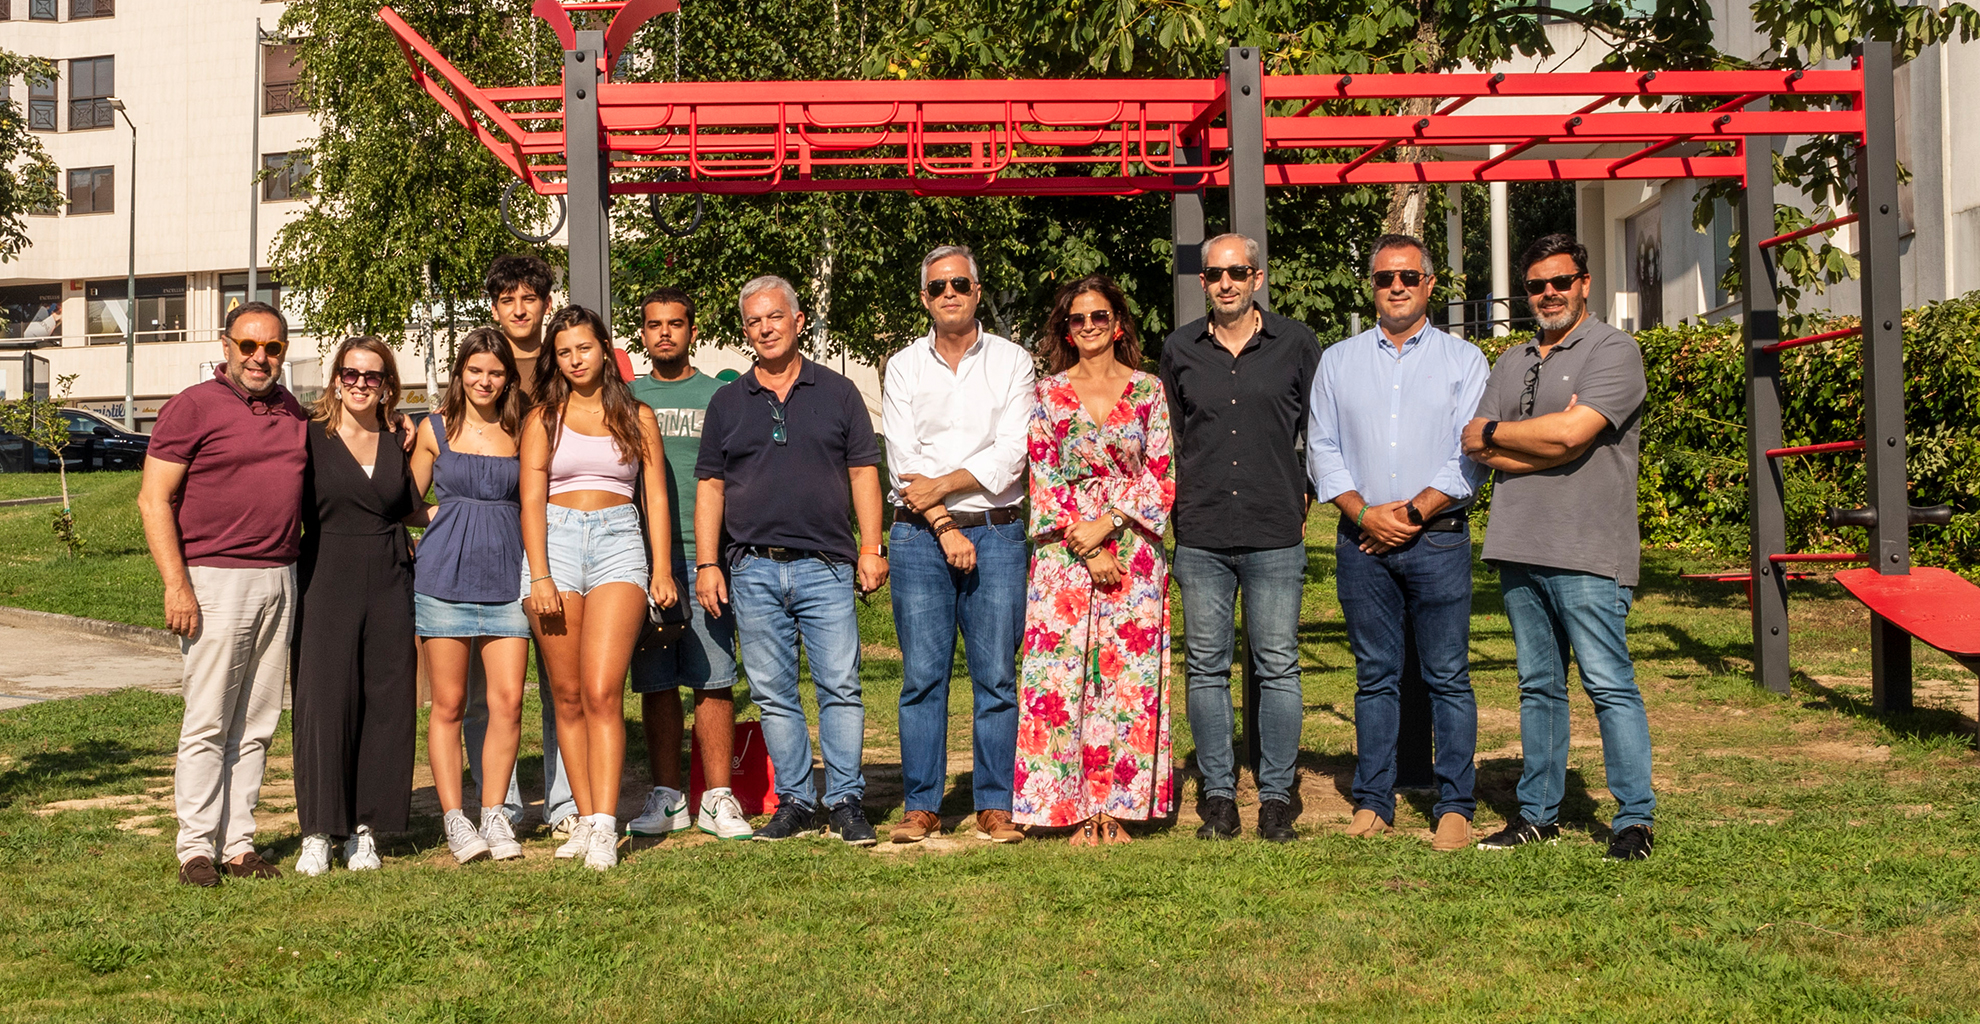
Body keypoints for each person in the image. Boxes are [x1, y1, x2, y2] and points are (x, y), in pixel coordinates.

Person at [1461, 232, 1656, 861]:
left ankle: (1634, 821)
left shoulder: (1614, 350)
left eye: (1561, 282)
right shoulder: (1512, 360)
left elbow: (1575, 434)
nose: (1549, 293)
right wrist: (1527, 438)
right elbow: (1475, 444)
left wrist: (1518, 437)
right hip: (1518, 543)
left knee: (1609, 684)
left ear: (1584, 284)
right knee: (1538, 686)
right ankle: (1536, 814)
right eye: (1537, 285)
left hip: (1588, 550)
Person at [1308, 234, 1488, 852]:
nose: (1397, 288)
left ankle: (1455, 804)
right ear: (1373, 286)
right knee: (1375, 675)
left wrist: (1409, 513)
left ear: (1430, 285)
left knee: (1448, 675)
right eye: (1385, 278)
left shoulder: (1466, 362)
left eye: (1409, 277)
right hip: (1362, 543)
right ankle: (1374, 800)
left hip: (1436, 539)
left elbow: (1471, 456)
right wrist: (1364, 514)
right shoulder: (1337, 361)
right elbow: (1322, 450)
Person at [694, 275, 888, 845]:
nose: (765, 328)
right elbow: (710, 486)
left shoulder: (838, 392)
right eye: (754, 321)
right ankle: (798, 801)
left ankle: (847, 799)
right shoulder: (728, 401)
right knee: (773, 693)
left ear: (799, 321)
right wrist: (710, 563)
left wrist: (871, 548)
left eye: (774, 316)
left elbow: (863, 474)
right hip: (751, 568)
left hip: (825, 565)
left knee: (839, 687)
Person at [1157, 232, 1320, 843]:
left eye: (1237, 272)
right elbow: (1169, 436)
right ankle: (1219, 797)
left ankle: (1276, 795)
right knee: (1206, 667)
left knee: (1276, 663)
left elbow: (1320, 427)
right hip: (1201, 530)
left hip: (1274, 529)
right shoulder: (1179, 349)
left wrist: (1305, 488)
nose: (1226, 282)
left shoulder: (1296, 344)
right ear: (1203, 282)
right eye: (1214, 273)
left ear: (1256, 278)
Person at [140, 301, 307, 886]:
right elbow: (153, 499)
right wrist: (176, 584)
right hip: (213, 579)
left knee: (259, 720)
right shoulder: (192, 407)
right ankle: (195, 849)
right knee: (209, 718)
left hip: (280, 576)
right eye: (249, 346)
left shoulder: (291, 410)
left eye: (273, 348)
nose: (260, 358)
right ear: (226, 344)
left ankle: (238, 844)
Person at [1013, 275, 1176, 847]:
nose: (1088, 327)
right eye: (1077, 319)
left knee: (1124, 681)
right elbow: (1043, 472)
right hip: (1064, 551)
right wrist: (1086, 543)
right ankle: (1070, 808)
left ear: (1119, 324)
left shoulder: (1149, 390)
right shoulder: (1047, 393)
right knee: (1060, 680)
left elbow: (1161, 476)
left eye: (1099, 317)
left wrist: (1109, 529)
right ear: (1066, 328)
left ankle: (1116, 806)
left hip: (1133, 551)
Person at [882, 245, 1033, 845]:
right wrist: (945, 523)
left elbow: (1011, 452)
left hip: (996, 533)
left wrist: (942, 487)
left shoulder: (1013, 361)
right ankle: (922, 803)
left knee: (997, 674)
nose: (950, 293)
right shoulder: (902, 367)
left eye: (961, 284)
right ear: (925, 296)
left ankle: (995, 802)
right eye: (938, 285)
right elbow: (902, 461)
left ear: (976, 291)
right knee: (923, 675)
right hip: (920, 537)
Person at [521, 305, 678, 871]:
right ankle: (587, 819)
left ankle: (607, 824)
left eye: (583, 348)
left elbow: (655, 496)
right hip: (556, 546)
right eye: (563, 352)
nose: (574, 359)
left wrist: (662, 568)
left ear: (603, 348)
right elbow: (530, 500)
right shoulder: (543, 418)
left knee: (602, 691)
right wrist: (538, 572)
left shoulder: (638, 415)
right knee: (566, 695)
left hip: (618, 542)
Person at [290, 336, 427, 876]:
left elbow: (410, 508)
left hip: (390, 578)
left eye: (373, 376)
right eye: (351, 374)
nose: (361, 384)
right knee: (323, 704)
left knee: (387, 704)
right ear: (336, 379)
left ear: (388, 385)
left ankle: (366, 830)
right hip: (325, 576)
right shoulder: (308, 438)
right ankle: (319, 830)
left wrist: (458, 519)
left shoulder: (400, 438)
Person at [624, 288, 753, 841]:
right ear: (644, 333)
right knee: (656, 682)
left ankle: (718, 798)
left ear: (692, 331)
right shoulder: (624, 398)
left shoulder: (719, 396)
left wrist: (716, 555)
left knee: (713, 678)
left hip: (706, 557)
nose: (665, 334)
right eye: (655, 325)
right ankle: (667, 795)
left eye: (676, 324)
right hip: (640, 555)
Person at [466, 254, 581, 841]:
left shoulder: (566, 356)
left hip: (559, 527)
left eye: (529, 298)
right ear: (494, 306)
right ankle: (500, 805)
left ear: (544, 302)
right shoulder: (483, 356)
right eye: (507, 298)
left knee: (562, 678)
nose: (518, 308)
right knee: (491, 687)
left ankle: (565, 804)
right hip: (492, 531)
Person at [408, 328, 532, 865]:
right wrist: (436, 514)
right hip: (443, 579)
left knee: (507, 703)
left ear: (508, 378)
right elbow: (405, 502)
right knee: (451, 704)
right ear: (461, 372)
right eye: (475, 370)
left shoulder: (525, 429)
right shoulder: (434, 429)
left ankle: (495, 814)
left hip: (508, 580)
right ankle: (456, 819)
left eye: (496, 372)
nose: (485, 381)